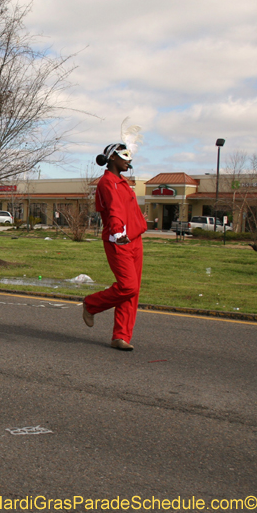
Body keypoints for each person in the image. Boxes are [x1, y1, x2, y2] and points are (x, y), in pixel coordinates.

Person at [82, 123, 146, 351]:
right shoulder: (108, 182)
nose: (129, 159)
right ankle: (91, 304)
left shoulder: (123, 183)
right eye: (124, 156)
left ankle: (121, 336)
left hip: (134, 240)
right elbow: (114, 209)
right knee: (128, 287)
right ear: (111, 158)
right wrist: (119, 232)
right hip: (119, 240)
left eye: (130, 155)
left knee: (132, 291)